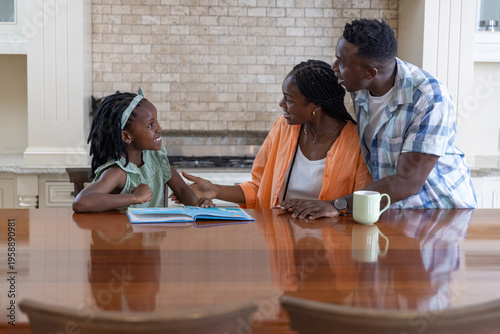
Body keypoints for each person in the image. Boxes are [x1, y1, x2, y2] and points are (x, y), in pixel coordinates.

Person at [282, 19, 476, 219]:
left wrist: (338, 204)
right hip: (392, 211)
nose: (334, 68)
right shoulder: (358, 88)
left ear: (370, 72)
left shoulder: (429, 98)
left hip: (441, 213)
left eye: (341, 63)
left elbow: (408, 182)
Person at [176, 60, 372, 209]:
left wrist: (335, 208)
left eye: (289, 99)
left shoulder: (357, 142)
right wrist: (215, 190)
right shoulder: (282, 128)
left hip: (333, 248)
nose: (281, 104)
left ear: (316, 106)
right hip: (281, 243)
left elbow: (364, 204)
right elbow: (259, 188)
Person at [72, 88, 213, 213]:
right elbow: (81, 202)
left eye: (156, 121)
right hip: (122, 240)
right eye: (150, 125)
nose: (159, 128)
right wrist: (134, 198)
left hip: (150, 239)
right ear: (126, 136)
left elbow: (182, 190)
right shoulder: (118, 172)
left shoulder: (156, 159)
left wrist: (198, 203)